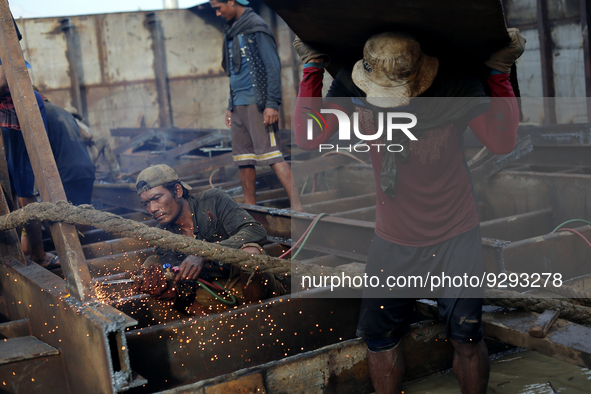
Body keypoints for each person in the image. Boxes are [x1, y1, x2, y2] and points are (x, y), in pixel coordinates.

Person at [293, 30, 525, 393]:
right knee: (379, 338)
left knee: (466, 336)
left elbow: (502, 141)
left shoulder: (454, 86)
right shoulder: (353, 89)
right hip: (393, 237)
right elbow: (309, 137)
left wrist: (499, 70)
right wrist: (311, 69)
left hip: (455, 232)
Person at [134, 164, 285, 314]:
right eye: (146, 203)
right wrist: (169, 288)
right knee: (151, 266)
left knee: (250, 253)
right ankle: (220, 329)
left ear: (177, 191)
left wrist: (206, 254)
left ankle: (257, 318)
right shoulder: (162, 236)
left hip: (256, 288)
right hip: (215, 296)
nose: (152, 209)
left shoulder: (213, 201)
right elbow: (185, 289)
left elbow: (255, 231)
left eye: (156, 198)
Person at [210, 0, 304, 212]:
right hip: (238, 105)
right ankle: (250, 208)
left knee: (272, 155)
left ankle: (298, 208)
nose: (217, 13)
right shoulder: (232, 30)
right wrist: (229, 105)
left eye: (219, 7)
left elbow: (272, 66)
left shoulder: (256, 27)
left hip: (258, 103)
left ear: (232, 2)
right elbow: (234, 74)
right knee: (243, 159)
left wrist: (272, 103)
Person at [64, 106, 126, 183]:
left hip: (73, 164)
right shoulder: (79, 124)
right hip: (87, 159)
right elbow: (89, 135)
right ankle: (116, 174)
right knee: (104, 141)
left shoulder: (63, 127)